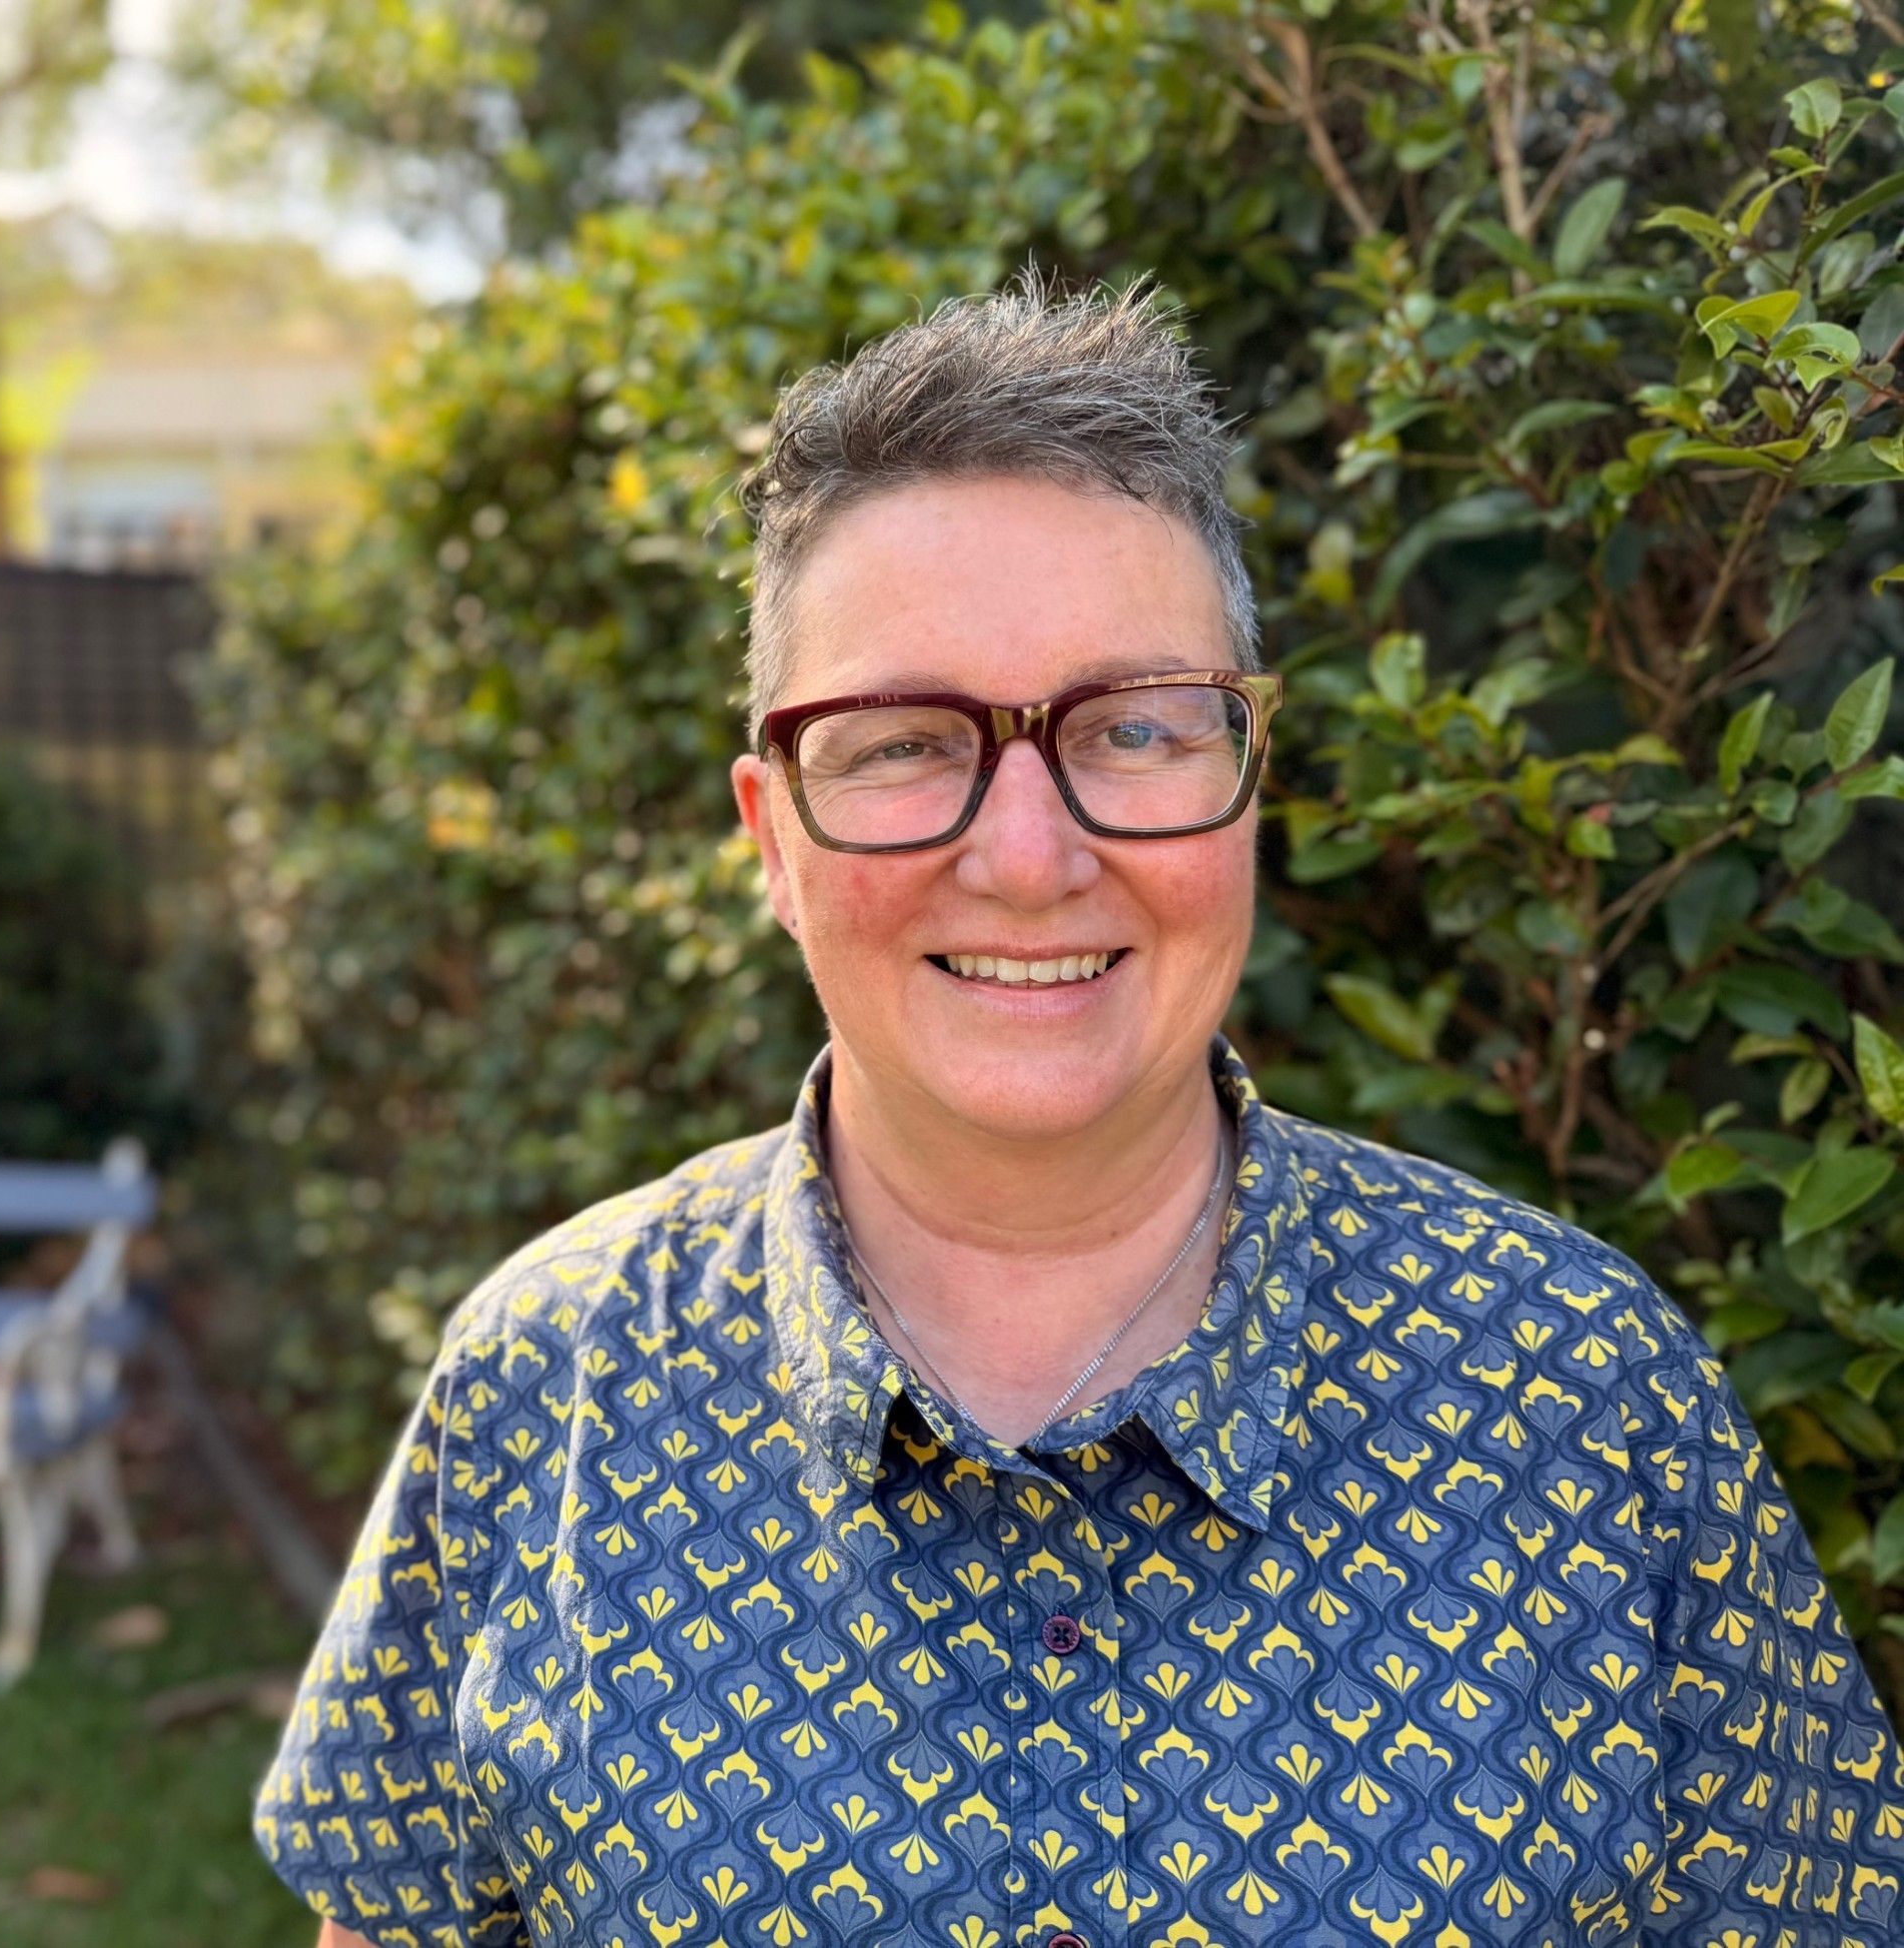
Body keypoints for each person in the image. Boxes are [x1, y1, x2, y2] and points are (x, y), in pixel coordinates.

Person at [253, 266, 1904, 1948]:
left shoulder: (1585, 1394)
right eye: (903, 742)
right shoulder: (540, 1384)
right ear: (771, 838)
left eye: (1132, 728)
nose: (1031, 857)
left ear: (1246, 782)